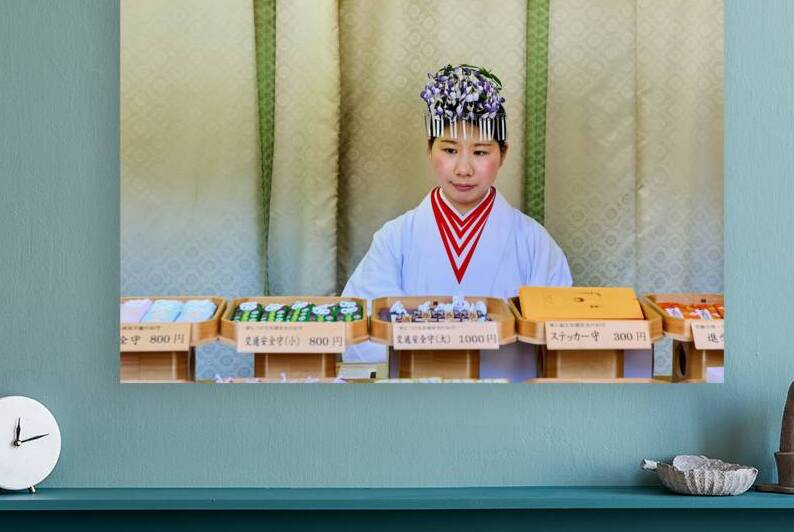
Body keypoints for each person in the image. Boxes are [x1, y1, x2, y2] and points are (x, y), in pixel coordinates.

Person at [342, 64, 572, 381]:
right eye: (449, 149)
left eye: (480, 152)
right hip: (417, 403)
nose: (463, 169)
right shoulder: (395, 239)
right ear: (429, 148)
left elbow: (559, 337)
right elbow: (364, 331)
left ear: (503, 154)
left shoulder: (534, 242)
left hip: (507, 409)